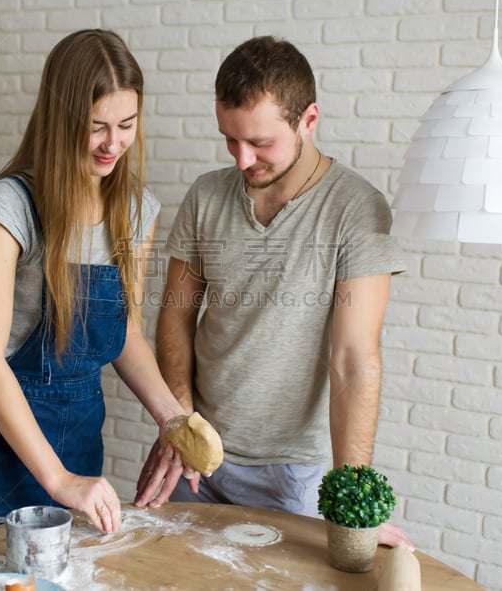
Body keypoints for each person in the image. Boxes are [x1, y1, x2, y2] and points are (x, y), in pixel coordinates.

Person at [0, 29, 193, 557]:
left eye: (126, 125)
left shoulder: (136, 212)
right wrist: (59, 480)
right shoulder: (10, 207)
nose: (113, 143)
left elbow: (125, 331)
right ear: (60, 120)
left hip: (78, 434)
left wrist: (172, 418)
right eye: (96, 128)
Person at [134, 35, 412, 549]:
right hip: (197, 451)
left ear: (309, 120)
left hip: (291, 476)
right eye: (229, 139)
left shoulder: (356, 210)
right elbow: (175, 315)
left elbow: (354, 360)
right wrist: (179, 418)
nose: (242, 159)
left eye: (260, 143)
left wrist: (351, 498)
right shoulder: (206, 196)